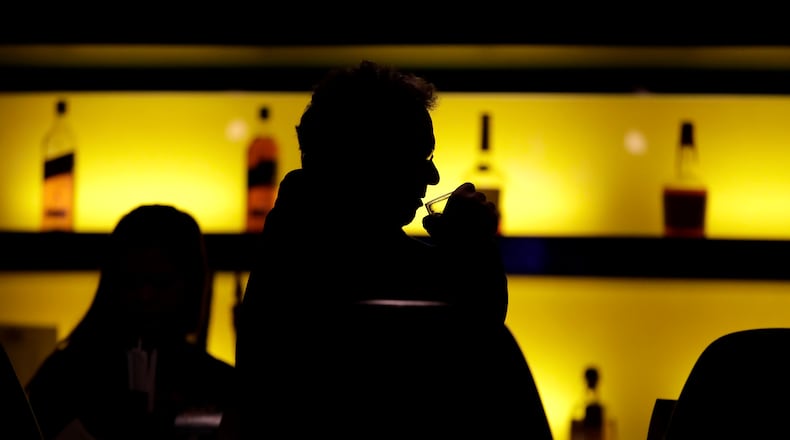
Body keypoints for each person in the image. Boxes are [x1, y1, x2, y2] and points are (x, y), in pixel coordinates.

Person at [231, 60, 552, 439]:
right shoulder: (344, 257)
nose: (432, 177)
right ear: (370, 158)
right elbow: (474, 350)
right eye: (420, 156)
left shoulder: (294, 236)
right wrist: (471, 250)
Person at [26, 204, 235, 440]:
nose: (144, 295)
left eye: (159, 283)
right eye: (131, 281)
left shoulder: (221, 386)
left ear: (191, 287)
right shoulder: (62, 377)